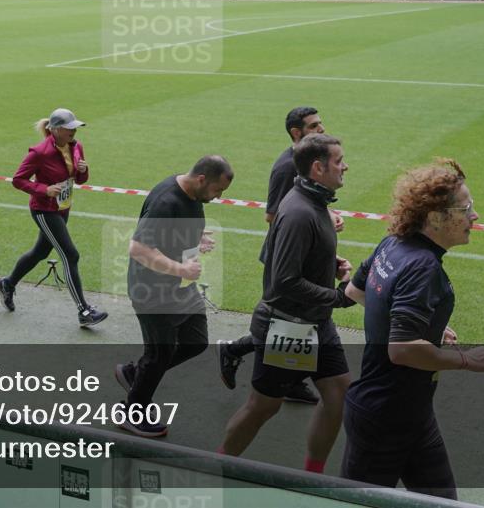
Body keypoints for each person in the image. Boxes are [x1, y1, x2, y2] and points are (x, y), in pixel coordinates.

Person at [341, 159, 484, 499]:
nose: (475, 217)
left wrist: (424, 327)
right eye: (466, 208)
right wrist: (466, 360)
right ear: (437, 217)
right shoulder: (423, 267)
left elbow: (357, 291)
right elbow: (403, 350)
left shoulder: (393, 244)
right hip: (387, 419)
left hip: (411, 413)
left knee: (442, 503)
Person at [219, 134, 358, 474]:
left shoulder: (313, 200)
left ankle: (314, 475)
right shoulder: (300, 211)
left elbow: (298, 258)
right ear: (317, 167)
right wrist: (337, 297)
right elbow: (284, 282)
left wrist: (327, 262)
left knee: (339, 395)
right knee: (263, 407)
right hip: (289, 326)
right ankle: (217, 466)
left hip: (315, 323)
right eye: (339, 161)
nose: (345, 166)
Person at [218, 106, 345, 404]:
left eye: (321, 124)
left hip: (304, 250)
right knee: (287, 318)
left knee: (296, 320)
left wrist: (327, 217)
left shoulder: (308, 162)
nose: (321, 130)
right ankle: (239, 353)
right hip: (285, 253)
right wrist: (314, 229)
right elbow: (273, 215)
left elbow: (311, 203)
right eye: (314, 126)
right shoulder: (286, 167)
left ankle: (288, 378)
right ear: (296, 133)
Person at [115, 155, 233, 437]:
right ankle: (132, 412)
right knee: (160, 353)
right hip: (152, 290)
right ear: (202, 179)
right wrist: (181, 267)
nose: (217, 197)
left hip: (179, 287)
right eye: (218, 190)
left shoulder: (192, 194)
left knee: (195, 342)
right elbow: (139, 249)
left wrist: (196, 237)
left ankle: (135, 373)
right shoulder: (165, 201)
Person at [0, 108, 106, 327]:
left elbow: (80, 179)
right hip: (44, 210)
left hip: (63, 208)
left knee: (40, 251)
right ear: (54, 130)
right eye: (69, 128)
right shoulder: (39, 152)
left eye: (75, 127)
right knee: (70, 255)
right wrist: (44, 189)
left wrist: (84, 169)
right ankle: (84, 311)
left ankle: (7, 284)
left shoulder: (76, 146)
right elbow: (18, 180)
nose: (74, 132)